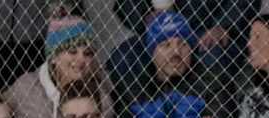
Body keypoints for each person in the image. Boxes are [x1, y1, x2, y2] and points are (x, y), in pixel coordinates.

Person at [117, 9, 235, 118]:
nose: (176, 53)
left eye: (183, 44)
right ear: (152, 52)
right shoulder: (132, 88)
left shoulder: (214, 82)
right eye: (166, 45)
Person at [3, 11, 115, 118]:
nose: (81, 60)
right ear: (54, 57)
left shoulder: (101, 97)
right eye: (72, 52)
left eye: (87, 53)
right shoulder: (25, 88)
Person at [108, 0, 258, 87]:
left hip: (205, 29)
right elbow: (125, 4)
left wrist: (223, 24)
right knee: (121, 58)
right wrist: (144, 16)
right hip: (159, 33)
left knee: (211, 57)